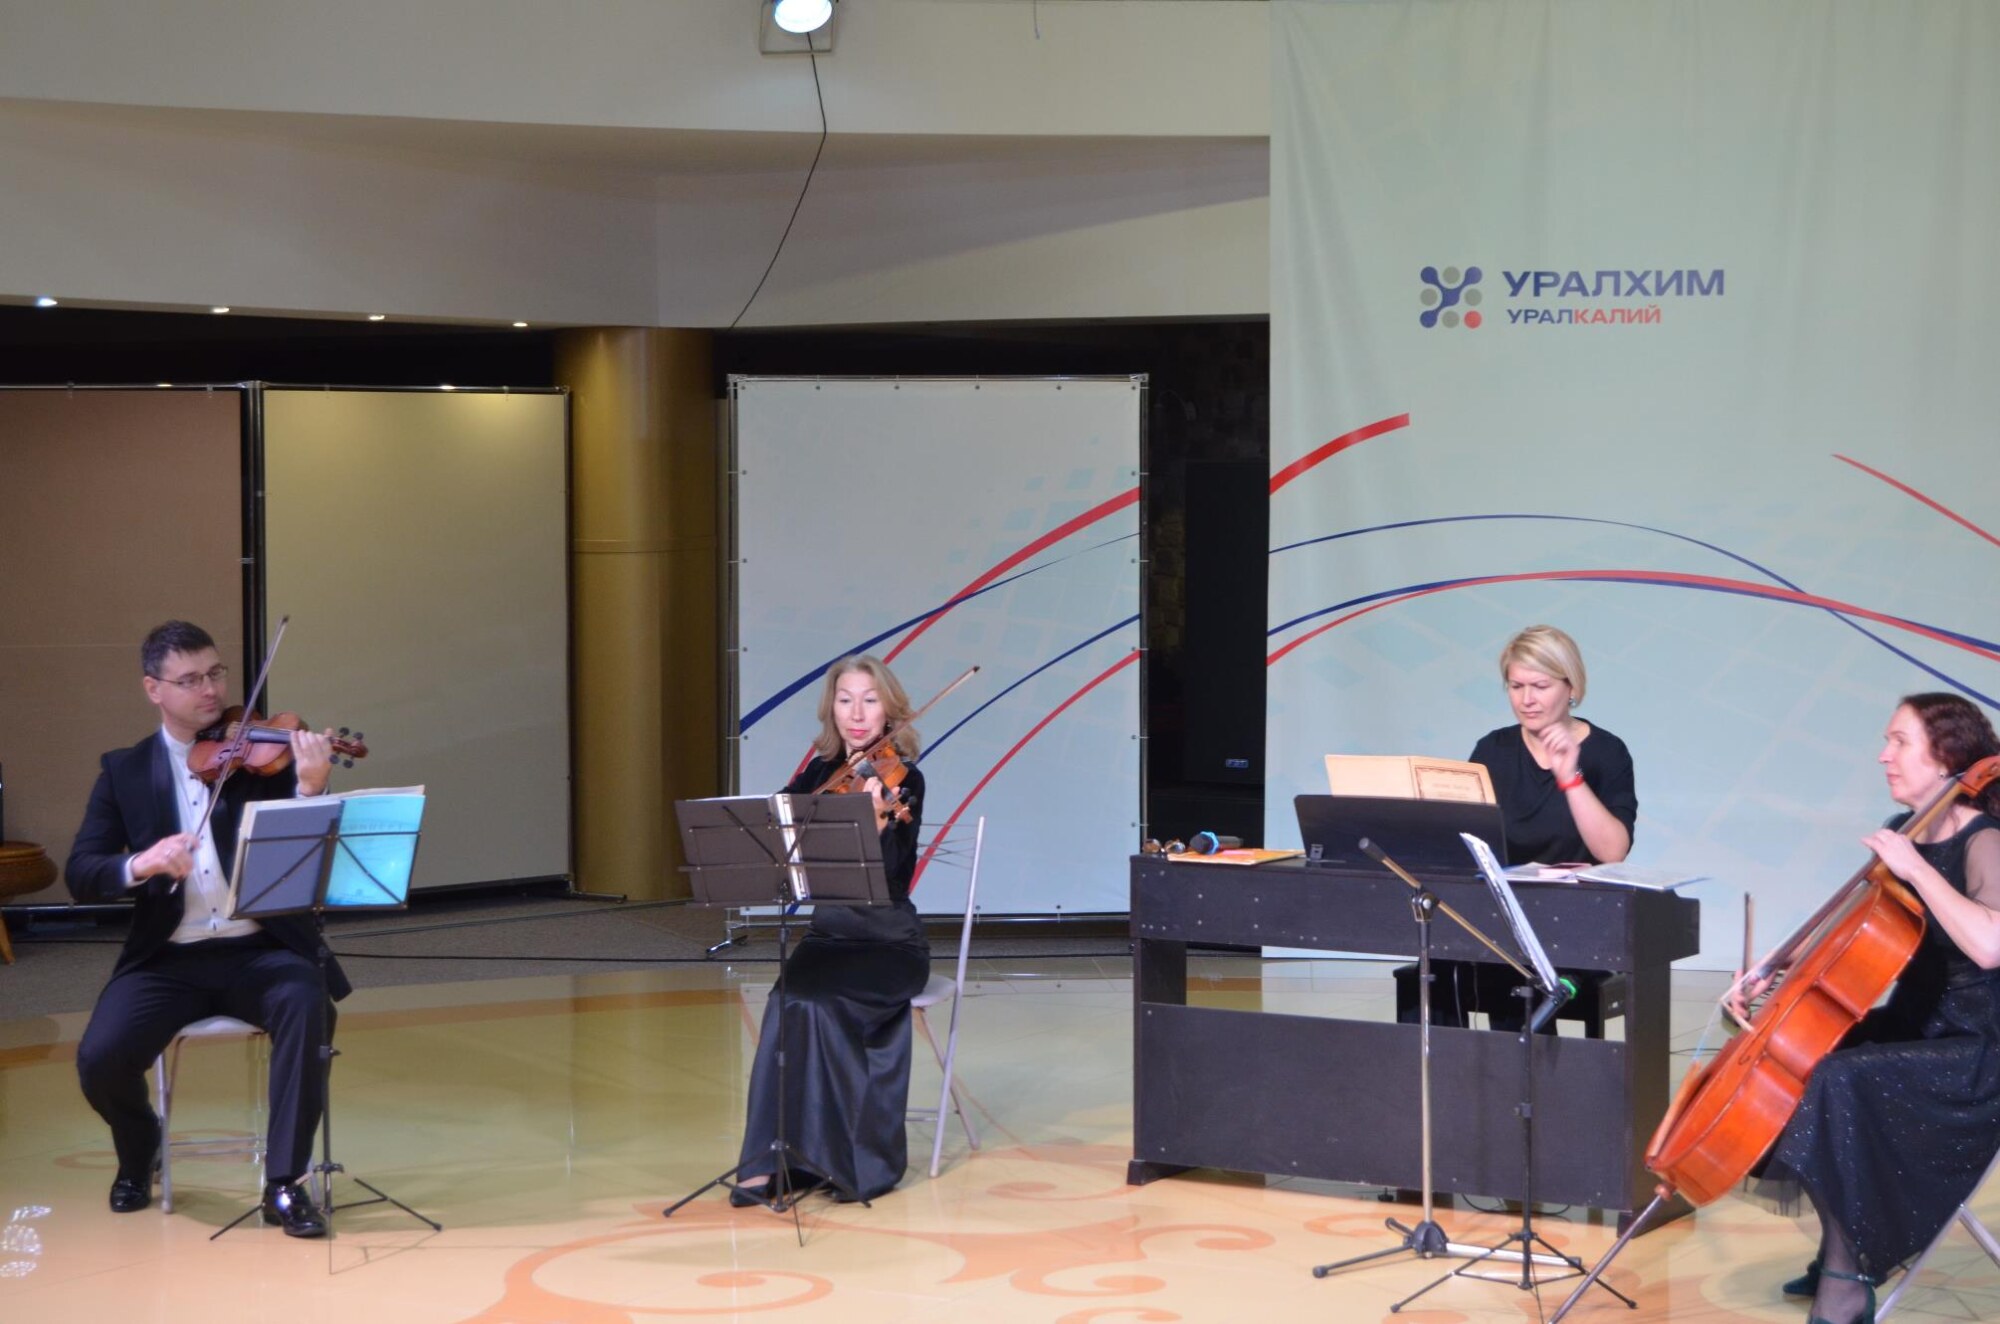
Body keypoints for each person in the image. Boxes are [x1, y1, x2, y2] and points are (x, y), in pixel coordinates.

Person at [66, 620, 346, 1236]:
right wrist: (140, 863)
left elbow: (308, 856)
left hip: (259, 950)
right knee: (100, 1059)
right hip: (168, 960)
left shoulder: (259, 755)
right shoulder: (124, 771)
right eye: (190, 679)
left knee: (309, 1005)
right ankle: (140, 1145)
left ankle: (284, 1183)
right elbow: (82, 872)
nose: (211, 690)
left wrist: (309, 787)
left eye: (216, 673)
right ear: (154, 689)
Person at [1756, 693, 2000, 1324]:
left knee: (1843, 1079)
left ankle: (1846, 1279)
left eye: (1899, 741)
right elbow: (1853, 929)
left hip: (1976, 1051)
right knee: (1804, 1055)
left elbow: (1989, 945)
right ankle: (1843, 1245)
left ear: (1945, 755)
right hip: (1916, 1026)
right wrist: (1776, 969)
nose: (1883, 755)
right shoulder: (1904, 830)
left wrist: (1916, 868)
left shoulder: (1985, 840)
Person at [730, 655, 932, 1206]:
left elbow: (893, 880)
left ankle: (850, 1162)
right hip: (828, 936)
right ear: (832, 709)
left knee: (823, 1004)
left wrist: (876, 822)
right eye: (845, 700)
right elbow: (778, 836)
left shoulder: (904, 779)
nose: (857, 714)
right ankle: (773, 1162)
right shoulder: (818, 776)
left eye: (869, 700)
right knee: (786, 1002)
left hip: (888, 942)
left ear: (888, 709)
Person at [1422, 625, 1638, 1031]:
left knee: (1512, 974)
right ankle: (1449, 1069)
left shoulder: (1607, 752)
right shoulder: (1493, 749)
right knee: (1437, 966)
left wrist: (1570, 778)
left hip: (1574, 919)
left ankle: (1523, 1070)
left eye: (1540, 686)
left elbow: (1613, 851)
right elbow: (1467, 838)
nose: (1526, 700)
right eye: (1516, 686)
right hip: (1504, 913)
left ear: (1571, 687)